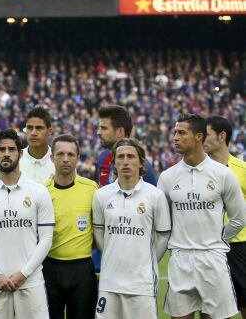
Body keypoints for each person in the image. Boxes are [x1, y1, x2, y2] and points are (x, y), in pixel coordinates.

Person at [159, 114, 246, 319]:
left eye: (181, 133)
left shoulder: (223, 174)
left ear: (198, 136)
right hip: (180, 259)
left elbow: (239, 218)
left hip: (213, 260)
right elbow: (161, 224)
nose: (175, 138)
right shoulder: (167, 177)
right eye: (174, 133)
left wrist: (218, 239)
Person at [0, 129, 54, 319]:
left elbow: (46, 238)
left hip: (30, 282)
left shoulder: (38, 192)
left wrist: (24, 273)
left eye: (11, 149)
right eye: (2, 150)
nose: (6, 154)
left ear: (20, 153)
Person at [92, 138, 171, 318]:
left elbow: (164, 236)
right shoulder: (101, 196)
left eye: (130, 156)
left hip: (141, 284)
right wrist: (112, 254)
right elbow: (98, 231)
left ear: (141, 162)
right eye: (120, 157)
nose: (125, 161)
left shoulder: (155, 195)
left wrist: (149, 261)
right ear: (114, 162)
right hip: (109, 282)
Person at [42, 134, 98, 319]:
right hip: (49, 268)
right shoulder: (41, 191)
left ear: (78, 156)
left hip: (82, 269)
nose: (65, 159)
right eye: (60, 154)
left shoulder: (91, 189)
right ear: (52, 157)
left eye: (70, 154)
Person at [204, 116, 246, 317]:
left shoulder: (242, 170)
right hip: (209, 246)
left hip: (239, 245)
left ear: (222, 136)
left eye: (206, 134)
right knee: (211, 306)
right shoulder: (200, 171)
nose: (201, 138)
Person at [96, 105, 157, 187]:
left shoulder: (141, 166)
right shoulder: (103, 157)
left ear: (120, 132)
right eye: (99, 128)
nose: (98, 132)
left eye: (104, 128)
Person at [19, 107, 55, 183]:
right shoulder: (16, 160)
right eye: (29, 128)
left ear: (49, 131)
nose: (33, 133)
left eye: (39, 128)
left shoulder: (59, 161)